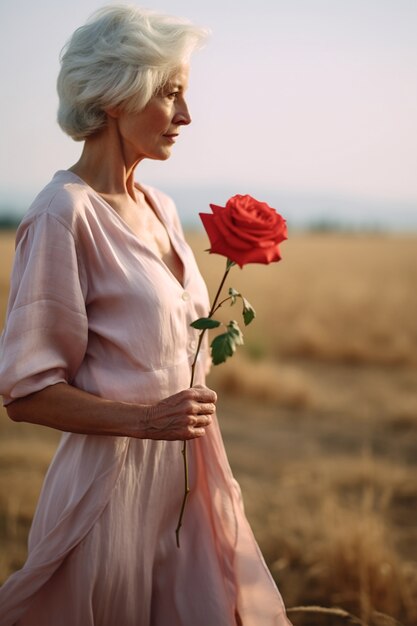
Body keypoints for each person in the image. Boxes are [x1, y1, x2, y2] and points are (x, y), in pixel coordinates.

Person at [0, 5, 291, 625]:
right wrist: (146, 419)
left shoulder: (160, 205)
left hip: (189, 485)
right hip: (110, 495)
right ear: (114, 96)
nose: (186, 116)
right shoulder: (62, 214)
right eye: (170, 93)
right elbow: (26, 392)